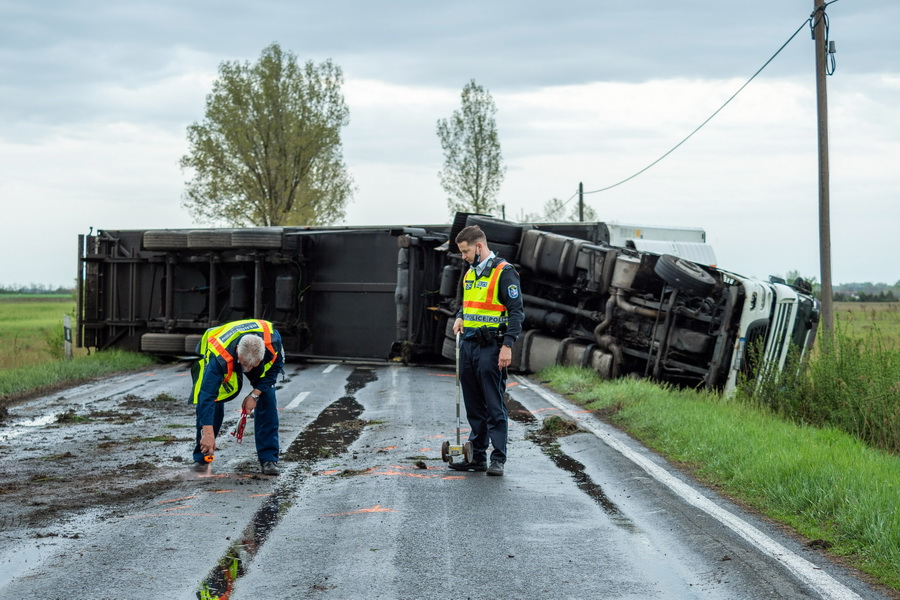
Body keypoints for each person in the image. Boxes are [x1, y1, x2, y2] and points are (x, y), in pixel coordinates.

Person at [450, 225, 524, 476]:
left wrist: (507, 346)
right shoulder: (470, 273)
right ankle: (477, 457)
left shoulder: (504, 272)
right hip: (468, 345)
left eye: (466, 251)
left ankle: (498, 459)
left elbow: (516, 312)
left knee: (494, 405)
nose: (464, 256)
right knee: (474, 406)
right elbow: (469, 304)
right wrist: (460, 316)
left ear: (479, 246)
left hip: (492, 346)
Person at [190, 319, 284, 475]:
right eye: (245, 364)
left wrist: (255, 394)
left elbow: (274, 370)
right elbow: (207, 396)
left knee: (267, 398)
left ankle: (268, 459)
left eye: (252, 365)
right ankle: (201, 458)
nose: (248, 369)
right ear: (239, 350)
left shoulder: (273, 344)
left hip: (254, 359)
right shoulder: (219, 357)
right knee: (214, 402)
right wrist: (208, 433)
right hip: (224, 355)